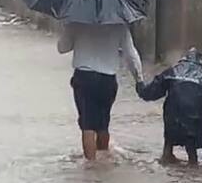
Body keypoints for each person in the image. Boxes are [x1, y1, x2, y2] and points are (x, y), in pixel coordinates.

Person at [58, 23, 143, 161]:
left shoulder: (76, 22)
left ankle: (91, 168)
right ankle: (103, 165)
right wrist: (139, 79)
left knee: (88, 124)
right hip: (107, 79)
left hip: (84, 77)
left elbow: (62, 48)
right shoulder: (119, 25)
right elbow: (131, 54)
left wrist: (70, 31)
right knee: (103, 124)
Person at [135, 48, 202, 166]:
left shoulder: (172, 72)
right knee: (192, 151)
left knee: (169, 142)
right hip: (194, 118)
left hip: (172, 117)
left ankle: (166, 160)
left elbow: (151, 93)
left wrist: (139, 85)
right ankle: (194, 173)